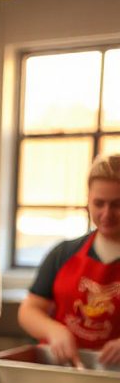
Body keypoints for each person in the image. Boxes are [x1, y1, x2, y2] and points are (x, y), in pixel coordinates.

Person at [18, 154, 120, 366]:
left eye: (117, 204)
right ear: (88, 201)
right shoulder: (63, 253)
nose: (107, 214)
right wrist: (53, 330)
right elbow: (29, 310)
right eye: (99, 203)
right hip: (63, 372)